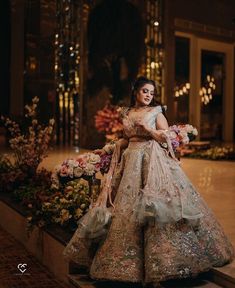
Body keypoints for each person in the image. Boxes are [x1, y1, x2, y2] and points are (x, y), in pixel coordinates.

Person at [63, 76, 233, 287]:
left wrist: (150, 129)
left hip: (153, 162)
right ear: (135, 91)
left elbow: (167, 138)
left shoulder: (156, 112)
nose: (148, 96)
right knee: (124, 210)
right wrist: (113, 148)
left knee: (155, 209)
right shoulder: (126, 112)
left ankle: (166, 261)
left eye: (151, 93)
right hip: (130, 162)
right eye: (145, 91)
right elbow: (128, 137)